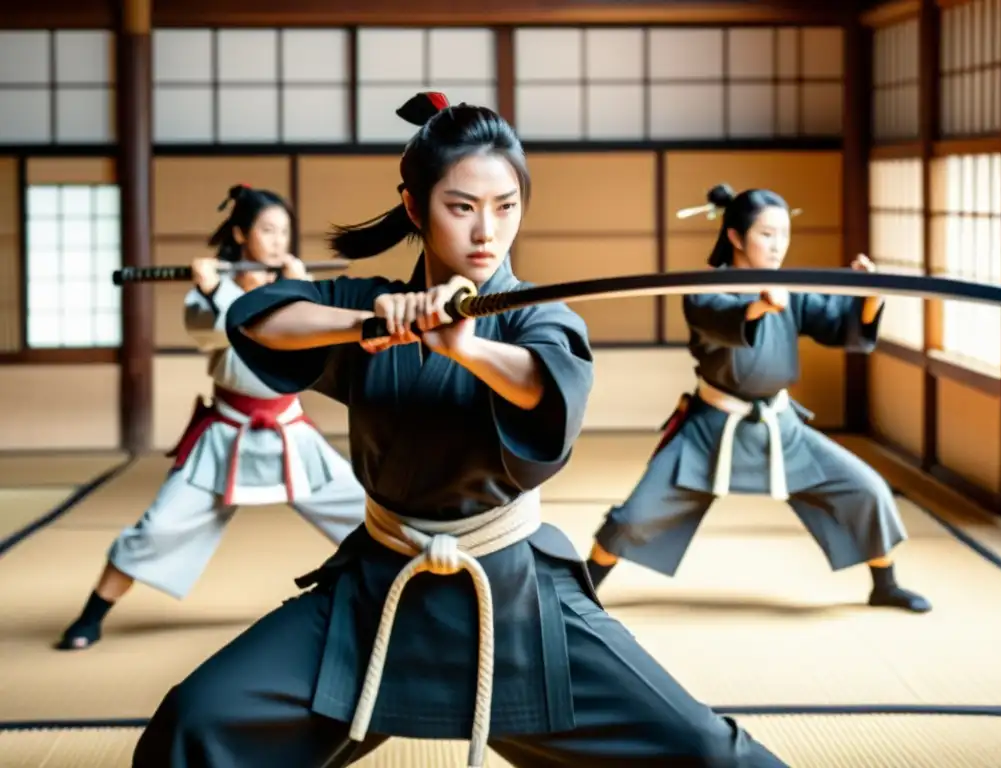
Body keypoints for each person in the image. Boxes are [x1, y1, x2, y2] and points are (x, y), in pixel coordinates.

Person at [131, 93, 788, 768]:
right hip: (375, 593)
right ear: (415, 208)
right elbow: (258, 318)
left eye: (506, 207)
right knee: (194, 722)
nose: (488, 232)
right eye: (462, 206)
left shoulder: (539, 317)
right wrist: (367, 325)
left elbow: (546, 385)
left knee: (708, 752)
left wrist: (465, 348)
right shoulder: (373, 304)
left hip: (513, 601)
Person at [586, 183, 931, 615]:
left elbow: (841, 328)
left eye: (784, 234)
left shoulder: (792, 289)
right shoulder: (703, 288)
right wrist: (757, 308)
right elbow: (715, 319)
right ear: (735, 236)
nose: (778, 245)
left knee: (866, 490)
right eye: (767, 234)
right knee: (638, 513)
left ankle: (885, 584)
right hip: (710, 428)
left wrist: (869, 296)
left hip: (779, 427)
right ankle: (585, 587)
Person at [56, 185, 367, 651]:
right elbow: (220, 338)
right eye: (267, 229)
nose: (279, 240)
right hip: (226, 435)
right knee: (160, 527)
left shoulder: (295, 290)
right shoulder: (207, 296)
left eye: (284, 231)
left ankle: (408, 605)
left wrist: (303, 288)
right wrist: (214, 289)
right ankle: (92, 614)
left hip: (289, 434)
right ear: (241, 234)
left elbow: (315, 343)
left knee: (370, 515)